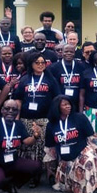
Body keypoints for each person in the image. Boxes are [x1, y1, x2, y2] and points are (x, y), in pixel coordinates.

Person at [11, 52, 59, 182]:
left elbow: (57, 99)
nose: (40, 65)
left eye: (42, 62)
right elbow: (19, 100)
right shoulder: (25, 79)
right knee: (28, 147)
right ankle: (30, 173)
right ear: (31, 64)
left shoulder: (50, 79)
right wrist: (17, 119)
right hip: (26, 119)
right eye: (37, 62)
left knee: (42, 147)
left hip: (44, 119)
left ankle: (42, 173)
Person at [44, 96, 97, 193]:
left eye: (69, 104)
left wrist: (96, 154)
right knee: (66, 187)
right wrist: (49, 169)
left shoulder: (80, 117)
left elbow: (91, 137)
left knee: (89, 160)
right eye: (64, 104)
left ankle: (87, 189)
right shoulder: (51, 125)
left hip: (82, 152)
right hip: (65, 159)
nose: (68, 106)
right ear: (57, 107)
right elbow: (50, 148)